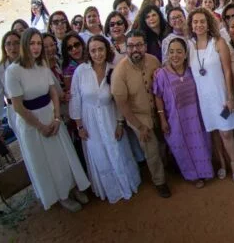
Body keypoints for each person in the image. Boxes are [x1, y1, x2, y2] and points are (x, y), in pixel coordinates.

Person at [5, 28, 90, 211]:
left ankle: (73, 187)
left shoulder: (42, 66)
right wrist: (40, 126)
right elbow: (18, 106)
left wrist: (57, 118)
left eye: (38, 44)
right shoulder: (13, 71)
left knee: (64, 156)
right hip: (32, 123)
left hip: (51, 115)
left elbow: (53, 92)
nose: (35, 47)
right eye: (31, 43)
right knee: (47, 161)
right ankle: (61, 195)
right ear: (24, 45)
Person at [70, 35, 141, 203]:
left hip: (110, 117)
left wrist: (119, 123)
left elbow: (119, 100)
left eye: (100, 49)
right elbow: (75, 100)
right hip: (90, 121)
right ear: (88, 52)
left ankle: (126, 185)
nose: (97, 54)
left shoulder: (113, 70)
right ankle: (111, 190)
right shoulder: (81, 71)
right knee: (99, 154)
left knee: (117, 150)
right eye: (93, 50)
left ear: (106, 50)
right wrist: (80, 126)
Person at [112, 30, 171, 198]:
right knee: (151, 151)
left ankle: (168, 167)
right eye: (130, 46)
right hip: (139, 118)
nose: (135, 49)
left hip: (159, 112)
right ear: (126, 48)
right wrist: (139, 127)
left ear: (145, 46)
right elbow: (122, 105)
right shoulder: (119, 72)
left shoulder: (153, 61)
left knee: (164, 142)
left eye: (138, 45)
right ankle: (160, 181)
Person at [187, 8, 234, 183]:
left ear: (208, 23)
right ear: (191, 25)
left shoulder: (218, 42)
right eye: (195, 22)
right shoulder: (189, 45)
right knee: (213, 133)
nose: (199, 25)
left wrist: (230, 97)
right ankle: (222, 164)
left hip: (221, 96)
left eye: (202, 21)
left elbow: (228, 71)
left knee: (226, 133)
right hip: (203, 99)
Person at [153, 37, 214, 188]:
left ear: (185, 54)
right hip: (175, 120)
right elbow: (158, 96)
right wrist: (162, 119)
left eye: (179, 51)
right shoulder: (161, 74)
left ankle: (204, 171)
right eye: (171, 52)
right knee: (180, 147)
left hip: (196, 117)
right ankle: (192, 175)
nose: (175, 55)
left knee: (201, 143)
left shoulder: (191, 70)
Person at [0, 31, 21, 136]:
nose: (12, 47)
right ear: (4, 47)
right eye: (8, 44)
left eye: (16, 43)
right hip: (14, 110)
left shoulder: (29, 62)